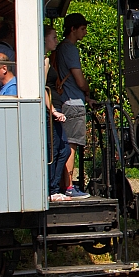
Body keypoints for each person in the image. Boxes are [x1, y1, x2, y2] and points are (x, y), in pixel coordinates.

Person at [53, 13, 92, 199]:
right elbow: (79, 80)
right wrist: (87, 90)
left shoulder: (60, 48)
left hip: (64, 100)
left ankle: (64, 184)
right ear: (72, 29)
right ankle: (69, 186)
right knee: (72, 145)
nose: (85, 33)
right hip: (74, 102)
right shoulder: (70, 49)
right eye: (82, 29)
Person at [43, 25, 72, 203]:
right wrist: (52, 110)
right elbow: (42, 87)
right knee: (54, 150)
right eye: (53, 37)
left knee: (64, 149)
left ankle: (52, 187)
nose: (56, 40)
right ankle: (51, 189)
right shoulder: (43, 60)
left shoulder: (46, 58)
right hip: (50, 113)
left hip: (54, 110)